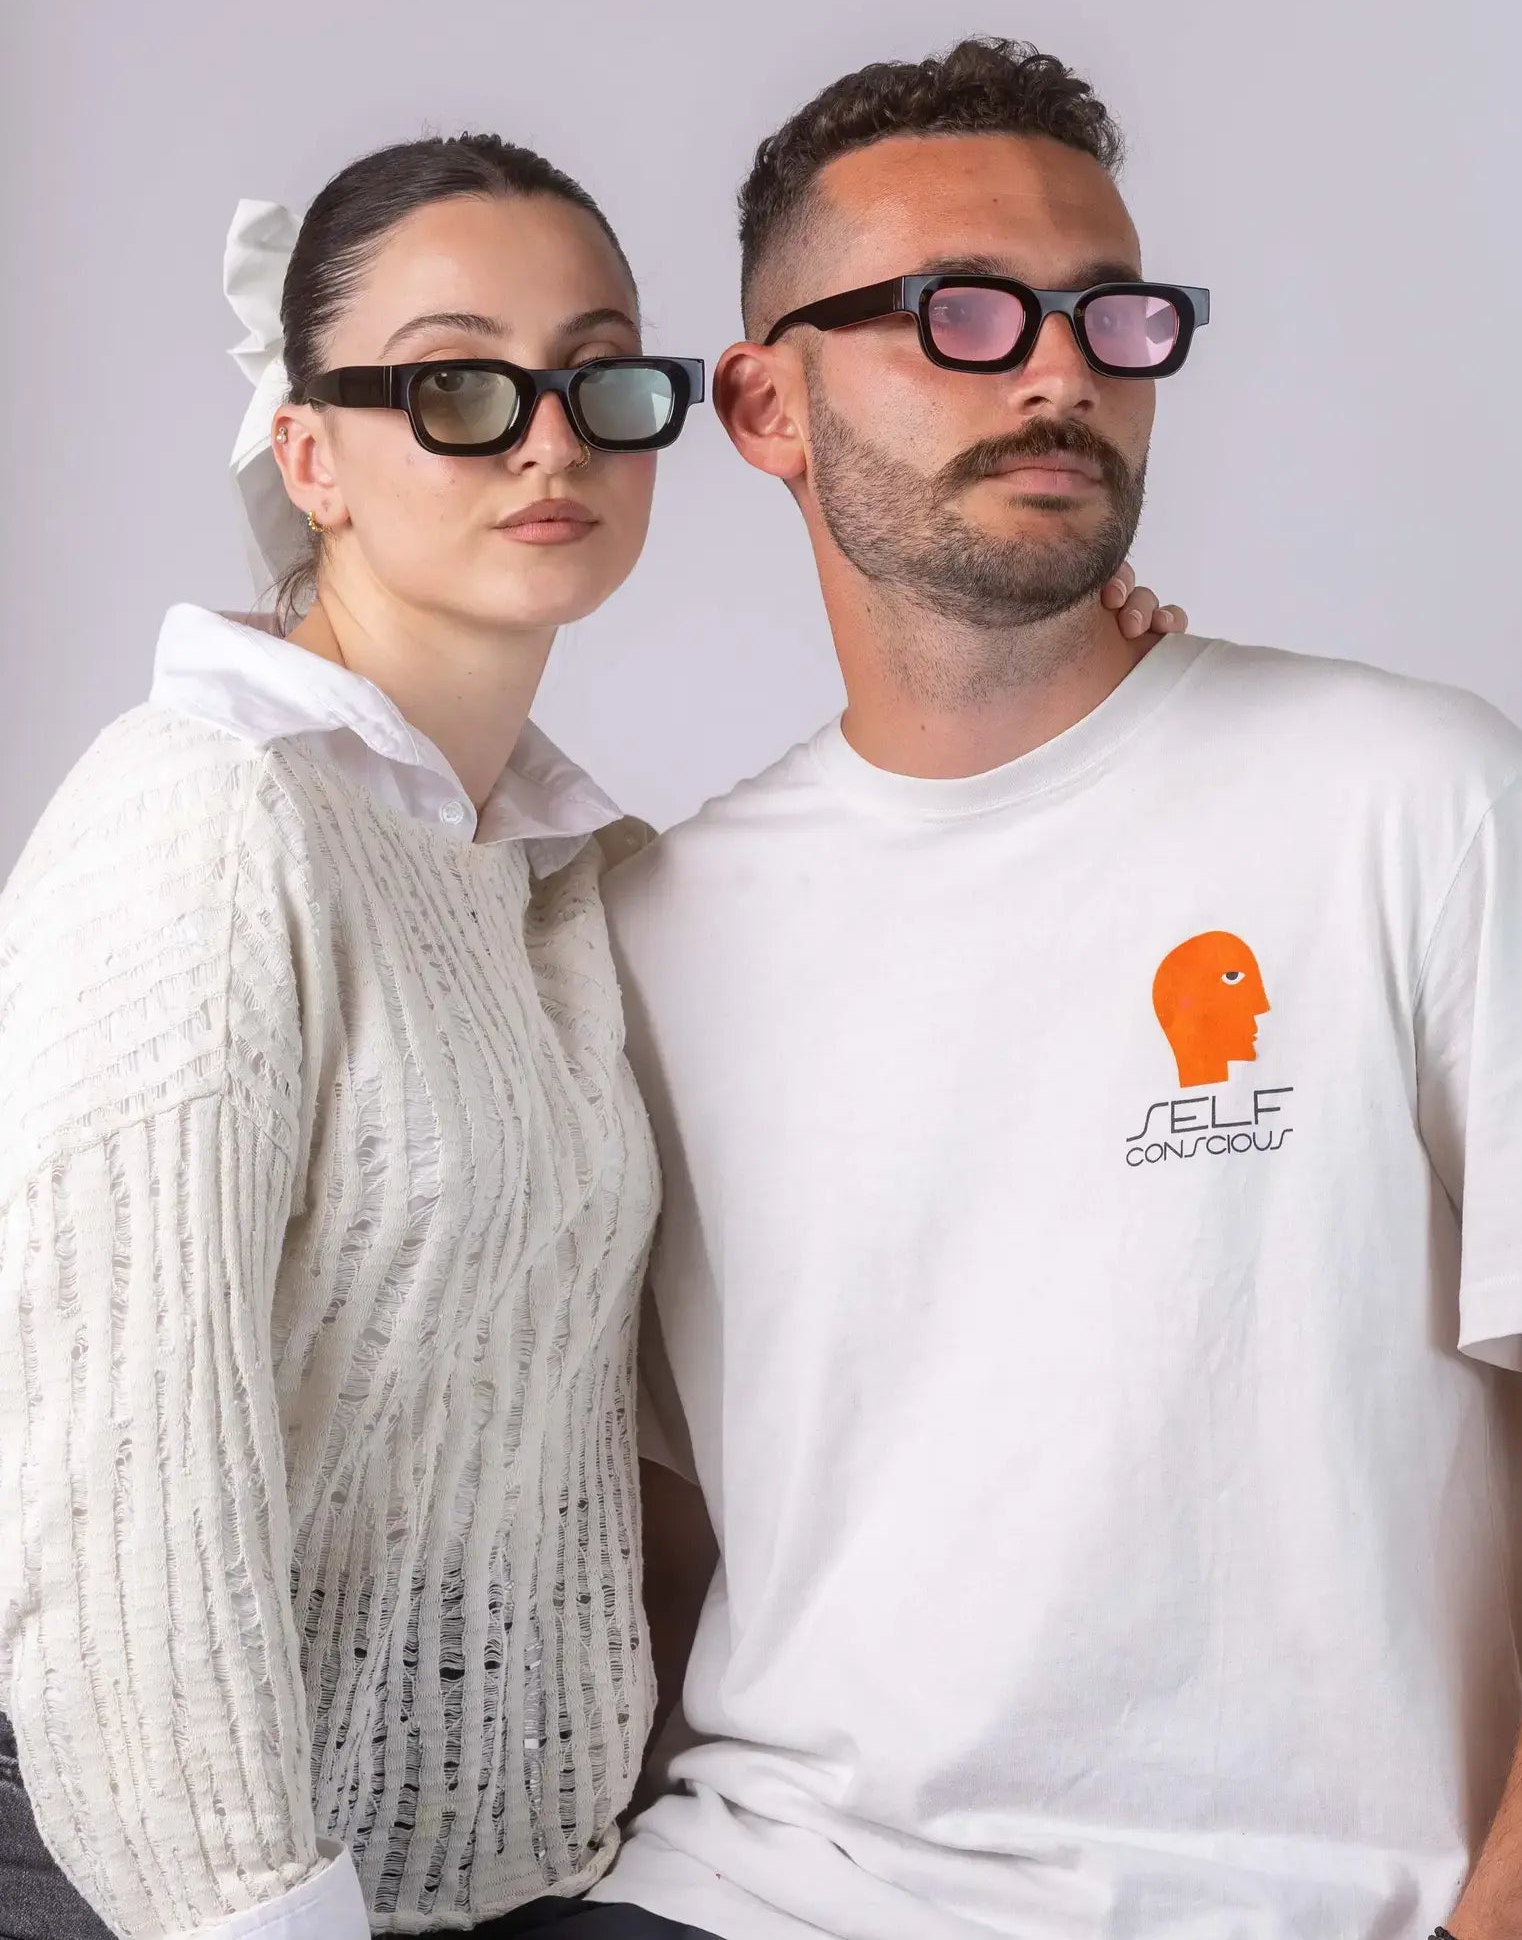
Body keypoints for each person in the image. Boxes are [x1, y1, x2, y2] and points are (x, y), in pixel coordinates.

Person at [596, 38, 1522, 1940]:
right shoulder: (657, 929)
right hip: (748, 1887)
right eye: (961, 315)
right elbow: (666, 1526)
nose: (1061, 370)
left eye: (1113, 317)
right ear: (762, 403)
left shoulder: (1409, 798)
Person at [0, 125, 1193, 1940]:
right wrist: (256, 1914)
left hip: (515, 1884)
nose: (548, 436)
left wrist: (1082, 690)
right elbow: (114, 1494)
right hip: (169, 1883)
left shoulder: (564, 881)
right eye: (458, 386)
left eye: (593, 376)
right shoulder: (208, 814)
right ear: (309, 451)